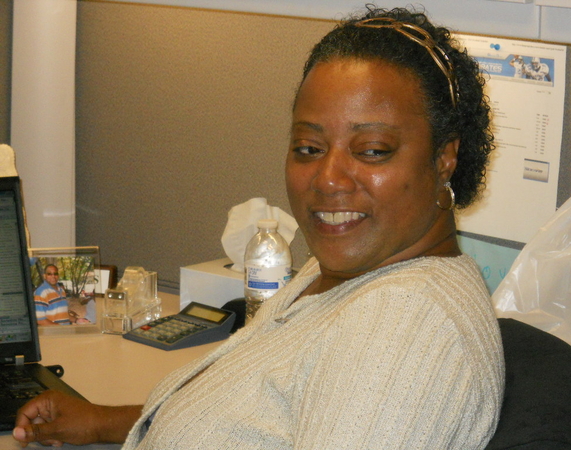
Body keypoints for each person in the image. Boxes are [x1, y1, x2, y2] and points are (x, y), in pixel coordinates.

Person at [13, 6, 504, 449]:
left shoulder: (405, 324)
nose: (328, 178)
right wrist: (106, 422)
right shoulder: (348, 269)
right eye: (308, 148)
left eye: (372, 150)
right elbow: (251, 419)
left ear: (444, 159)